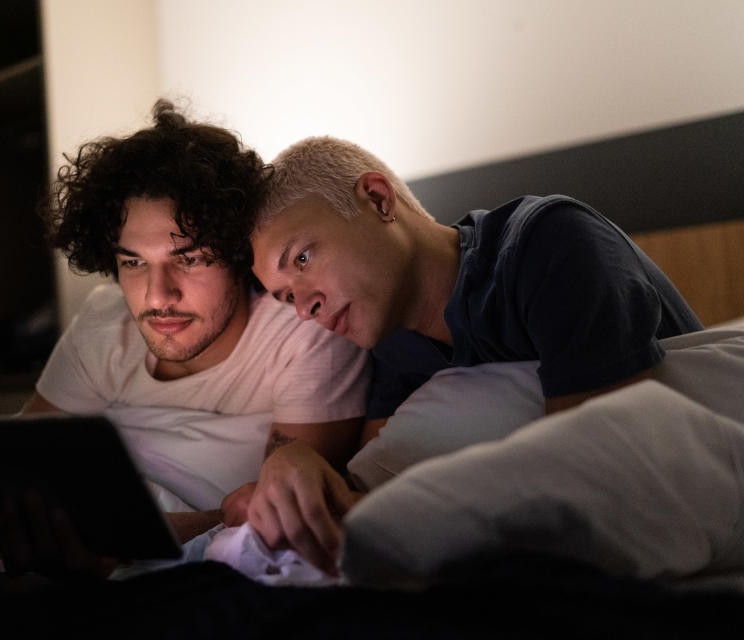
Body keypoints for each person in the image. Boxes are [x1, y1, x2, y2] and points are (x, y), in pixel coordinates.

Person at [0, 104, 370, 578]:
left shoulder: (305, 329)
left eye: (190, 259)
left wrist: (117, 539)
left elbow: (273, 516)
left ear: (237, 254)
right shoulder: (106, 322)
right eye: (133, 262)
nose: (158, 295)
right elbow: (22, 462)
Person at [239, 135, 703, 573]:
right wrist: (292, 461)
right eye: (284, 298)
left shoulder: (550, 244)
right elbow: (373, 480)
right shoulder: (392, 343)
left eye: (301, 259)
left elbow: (593, 478)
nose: (303, 308)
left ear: (379, 199)